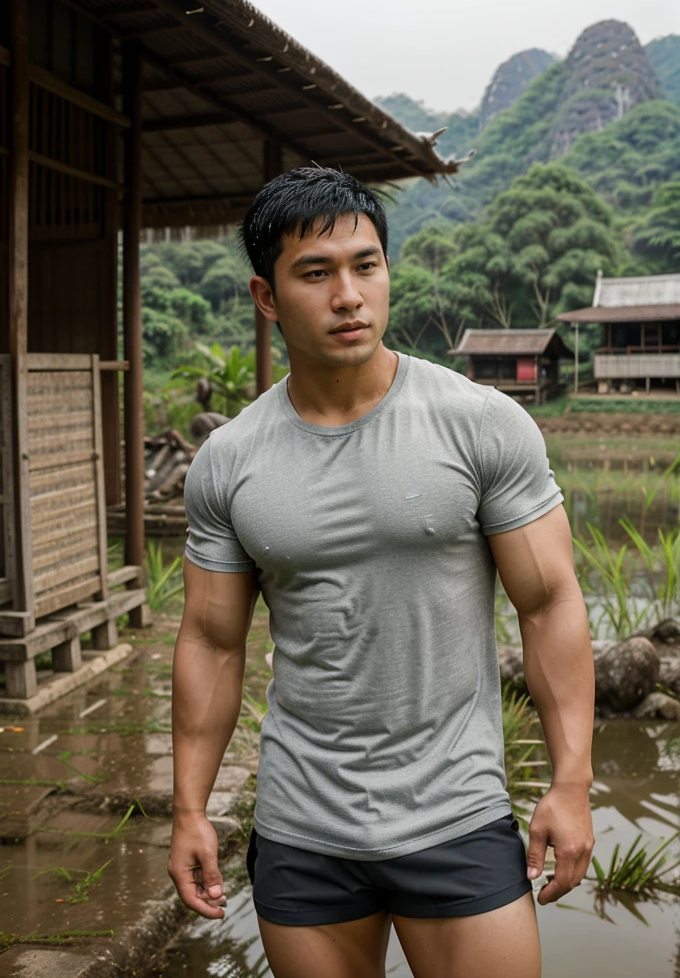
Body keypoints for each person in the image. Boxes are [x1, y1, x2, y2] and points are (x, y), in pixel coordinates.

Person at [168, 167, 595, 978]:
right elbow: (212, 641)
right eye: (317, 273)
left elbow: (548, 603)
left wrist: (570, 784)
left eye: (367, 266)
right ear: (267, 296)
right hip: (302, 826)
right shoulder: (228, 460)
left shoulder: (479, 424)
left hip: (456, 814)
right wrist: (190, 809)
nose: (349, 295)